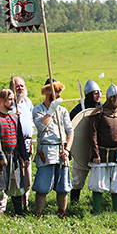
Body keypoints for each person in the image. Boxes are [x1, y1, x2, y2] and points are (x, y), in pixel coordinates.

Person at [32, 79, 74, 217]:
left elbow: (70, 132)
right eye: (56, 91)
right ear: (48, 92)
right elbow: (41, 126)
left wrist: (67, 150)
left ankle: (62, 213)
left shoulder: (63, 111)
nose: (59, 94)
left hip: (62, 151)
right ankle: (39, 214)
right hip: (46, 151)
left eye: (60, 91)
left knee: (63, 187)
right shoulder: (38, 109)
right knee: (42, 187)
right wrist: (50, 111)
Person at [88, 83, 117, 214]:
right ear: (110, 98)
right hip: (101, 153)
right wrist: (95, 154)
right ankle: (96, 211)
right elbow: (92, 134)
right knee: (98, 184)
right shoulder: (98, 113)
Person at [70, 79, 102, 204]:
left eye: (99, 92)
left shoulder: (102, 109)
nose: (99, 95)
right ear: (88, 95)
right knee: (78, 179)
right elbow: (71, 130)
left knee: (98, 179)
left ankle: (96, 203)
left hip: (97, 150)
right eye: (95, 93)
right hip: (81, 148)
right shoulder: (77, 111)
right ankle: (74, 202)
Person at [0, 88, 29, 216]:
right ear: (2, 100)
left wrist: (25, 156)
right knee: (1, 187)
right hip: (3, 158)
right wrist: (1, 156)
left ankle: (19, 213)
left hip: (15, 158)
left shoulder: (15, 118)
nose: (13, 102)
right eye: (10, 99)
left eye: (13, 99)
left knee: (17, 187)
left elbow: (20, 139)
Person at [8, 77, 34, 211]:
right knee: (12, 178)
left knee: (27, 178)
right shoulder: (8, 104)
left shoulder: (27, 102)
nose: (20, 88)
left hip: (27, 144)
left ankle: (26, 205)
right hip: (12, 145)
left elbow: (31, 121)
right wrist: (13, 114)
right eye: (17, 86)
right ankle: (7, 207)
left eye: (22, 86)